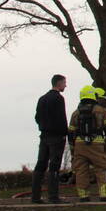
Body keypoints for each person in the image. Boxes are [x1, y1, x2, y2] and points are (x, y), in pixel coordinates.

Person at [69, 85, 106, 202]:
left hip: (79, 145)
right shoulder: (102, 110)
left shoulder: (75, 113)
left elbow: (70, 133)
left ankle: (83, 196)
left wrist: (73, 149)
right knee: (102, 168)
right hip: (97, 145)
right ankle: (105, 195)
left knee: (81, 171)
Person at [31, 74, 68, 204]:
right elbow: (61, 118)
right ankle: (53, 196)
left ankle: (35, 197)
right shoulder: (59, 98)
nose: (66, 85)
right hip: (56, 137)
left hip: (44, 136)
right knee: (54, 166)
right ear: (59, 83)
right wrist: (65, 133)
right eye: (64, 83)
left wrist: (43, 126)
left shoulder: (42, 99)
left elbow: (37, 117)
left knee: (40, 165)